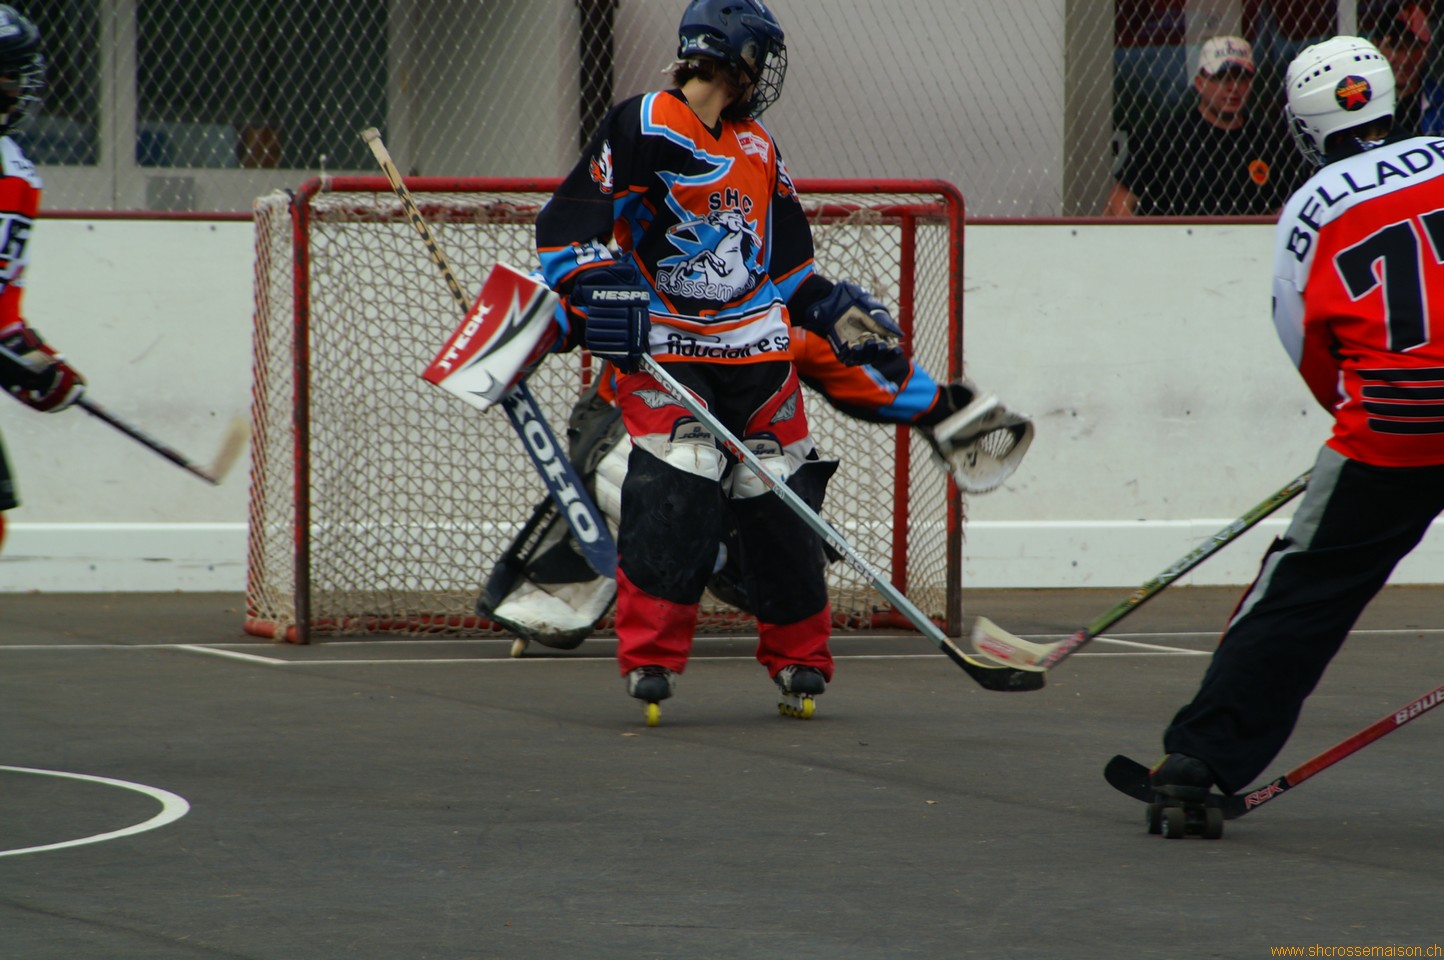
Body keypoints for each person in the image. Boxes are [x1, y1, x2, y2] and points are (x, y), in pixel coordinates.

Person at [533, 0, 975, 721]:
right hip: (670, 348)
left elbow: (792, 271)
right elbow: (566, 232)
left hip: (757, 349)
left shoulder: (759, 147)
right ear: (735, 58)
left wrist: (835, 312)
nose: (766, 74)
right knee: (680, 474)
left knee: (778, 488)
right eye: (760, 59)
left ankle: (801, 656)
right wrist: (599, 285)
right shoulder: (644, 122)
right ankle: (651, 656)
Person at [1146, 35, 1444, 808]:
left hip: (1394, 423)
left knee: (1306, 588)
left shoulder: (1309, 206)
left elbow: (1303, 340)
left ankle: (1200, 763)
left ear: (1303, 123)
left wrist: (1354, 418)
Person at [0, 6, 85, 556]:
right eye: (9, 73)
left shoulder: (15, 172)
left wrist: (36, 365)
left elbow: (2, 315)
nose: (19, 87)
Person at [1105, 35, 1304, 216]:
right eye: (1222, 77)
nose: (1233, 87)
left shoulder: (1268, 142)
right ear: (1200, 83)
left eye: (1241, 77)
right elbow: (1118, 202)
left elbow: (1292, 206)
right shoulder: (1166, 137)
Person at [1364, 1, 1443, 135]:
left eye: (1414, 47)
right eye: (1395, 47)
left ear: (1427, 49)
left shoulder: (1439, 104)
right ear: (1375, 45)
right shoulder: (1361, 105)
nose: (1405, 59)